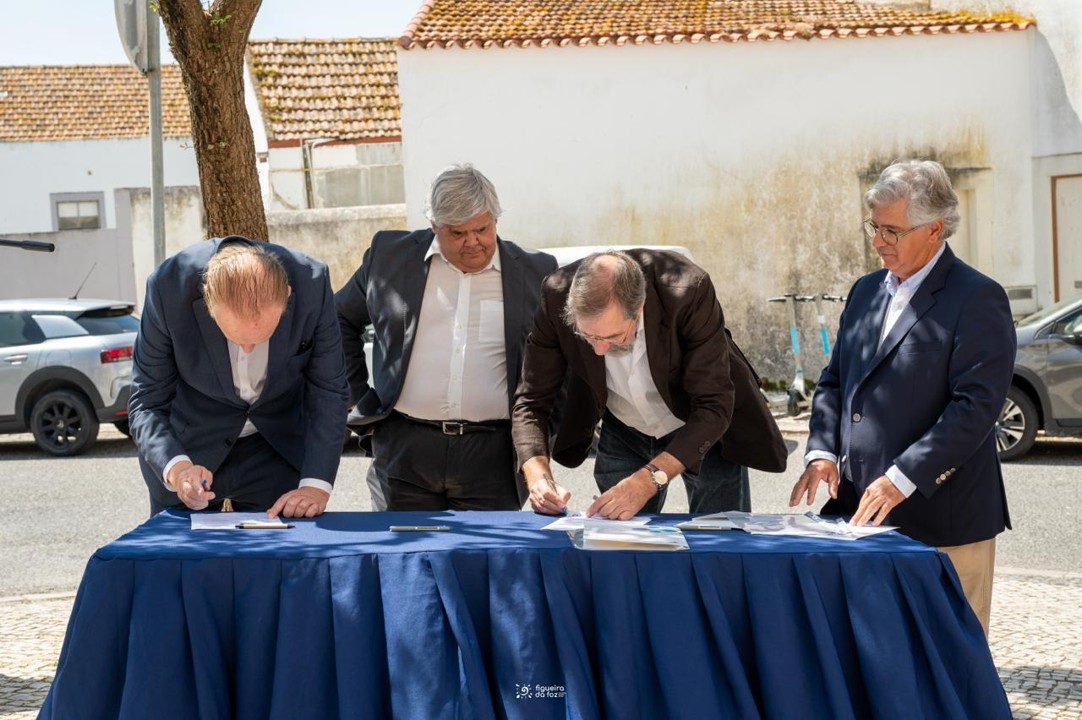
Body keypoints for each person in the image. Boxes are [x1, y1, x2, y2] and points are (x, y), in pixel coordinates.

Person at [789, 159, 1015, 635]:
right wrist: (822, 451)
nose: (877, 242)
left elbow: (975, 408)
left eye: (891, 230)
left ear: (934, 229)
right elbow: (836, 381)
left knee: (950, 662)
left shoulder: (979, 297)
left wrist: (902, 478)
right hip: (859, 514)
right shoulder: (865, 290)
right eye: (874, 227)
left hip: (945, 520)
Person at [335, 164, 558, 510]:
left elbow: (561, 357)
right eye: (457, 233)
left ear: (495, 219)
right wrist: (360, 396)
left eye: (482, 229)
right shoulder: (390, 257)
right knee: (406, 558)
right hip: (405, 448)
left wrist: (542, 436)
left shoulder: (536, 272)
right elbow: (338, 319)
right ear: (434, 226)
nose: (473, 242)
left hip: (494, 455)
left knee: (487, 562)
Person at [513, 249, 787, 520]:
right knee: (621, 544)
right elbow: (531, 401)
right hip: (624, 428)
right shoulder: (556, 293)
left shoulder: (688, 290)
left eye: (612, 336)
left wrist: (647, 481)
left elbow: (713, 405)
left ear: (640, 307)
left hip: (699, 425)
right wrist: (538, 476)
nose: (598, 350)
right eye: (587, 336)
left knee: (721, 536)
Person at [129, 236, 350, 519]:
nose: (248, 349)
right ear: (208, 300)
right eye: (235, 338)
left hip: (276, 448)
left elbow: (329, 391)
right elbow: (146, 401)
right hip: (189, 445)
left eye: (262, 338)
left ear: (288, 295)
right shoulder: (167, 288)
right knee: (183, 560)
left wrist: (315, 486)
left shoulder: (313, 284)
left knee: (277, 560)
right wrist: (179, 469)